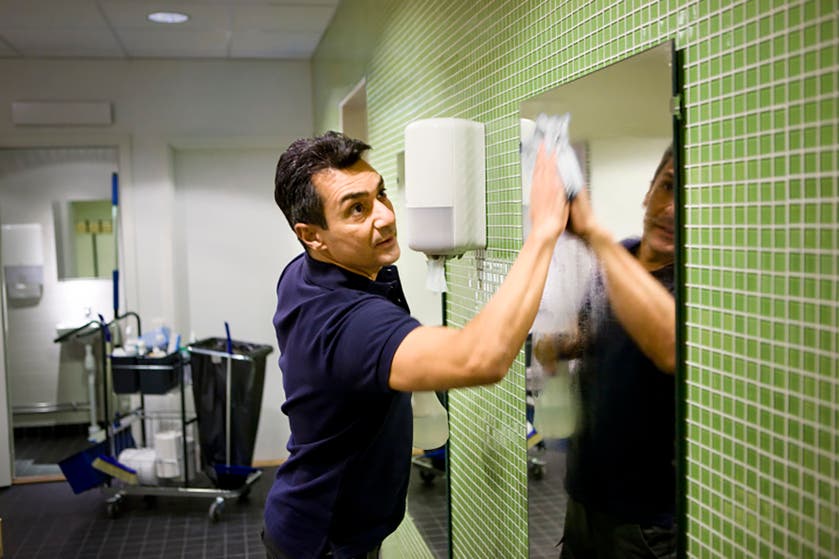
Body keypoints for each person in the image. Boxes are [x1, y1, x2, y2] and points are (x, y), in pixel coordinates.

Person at [264, 130, 570, 559]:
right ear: (312, 235)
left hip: (325, 522)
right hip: (324, 543)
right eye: (356, 208)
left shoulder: (307, 272)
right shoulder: (346, 322)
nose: (385, 216)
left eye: (380, 194)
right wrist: (544, 232)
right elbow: (483, 358)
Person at [534, 144, 677, 558]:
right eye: (668, 186)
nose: (671, 210)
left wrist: (593, 234)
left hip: (646, 519)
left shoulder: (693, 283)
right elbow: (590, 330)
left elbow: (670, 347)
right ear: (649, 191)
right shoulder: (622, 254)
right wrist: (561, 345)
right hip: (585, 493)